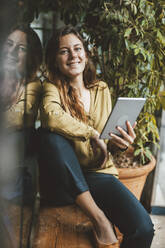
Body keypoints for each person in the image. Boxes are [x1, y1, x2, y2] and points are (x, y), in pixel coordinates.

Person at [38, 25, 154, 248]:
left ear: (86, 53)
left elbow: (107, 144)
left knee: (143, 229)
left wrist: (121, 144)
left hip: (98, 175)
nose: (73, 55)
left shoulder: (101, 89)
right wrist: (91, 134)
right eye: (64, 51)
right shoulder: (51, 87)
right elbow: (51, 117)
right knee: (49, 138)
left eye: (77, 48)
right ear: (54, 60)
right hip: (63, 182)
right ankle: (100, 220)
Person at [0, 24, 42, 247]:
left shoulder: (33, 86)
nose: (13, 51)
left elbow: (16, 119)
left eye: (21, 48)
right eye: (9, 44)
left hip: (14, 165)